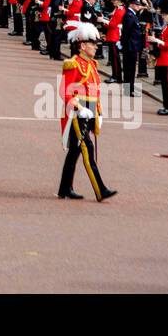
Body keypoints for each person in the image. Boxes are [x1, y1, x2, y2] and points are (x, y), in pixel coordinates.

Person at [58, 22, 117, 202]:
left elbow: (94, 91)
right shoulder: (73, 64)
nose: (95, 46)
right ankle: (101, 190)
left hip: (89, 112)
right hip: (78, 114)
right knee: (87, 148)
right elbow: (65, 91)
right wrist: (79, 108)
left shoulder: (92, 64)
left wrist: (98, 112)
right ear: (83, 46)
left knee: (75, 151)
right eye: (92, 44)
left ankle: (64, 188)